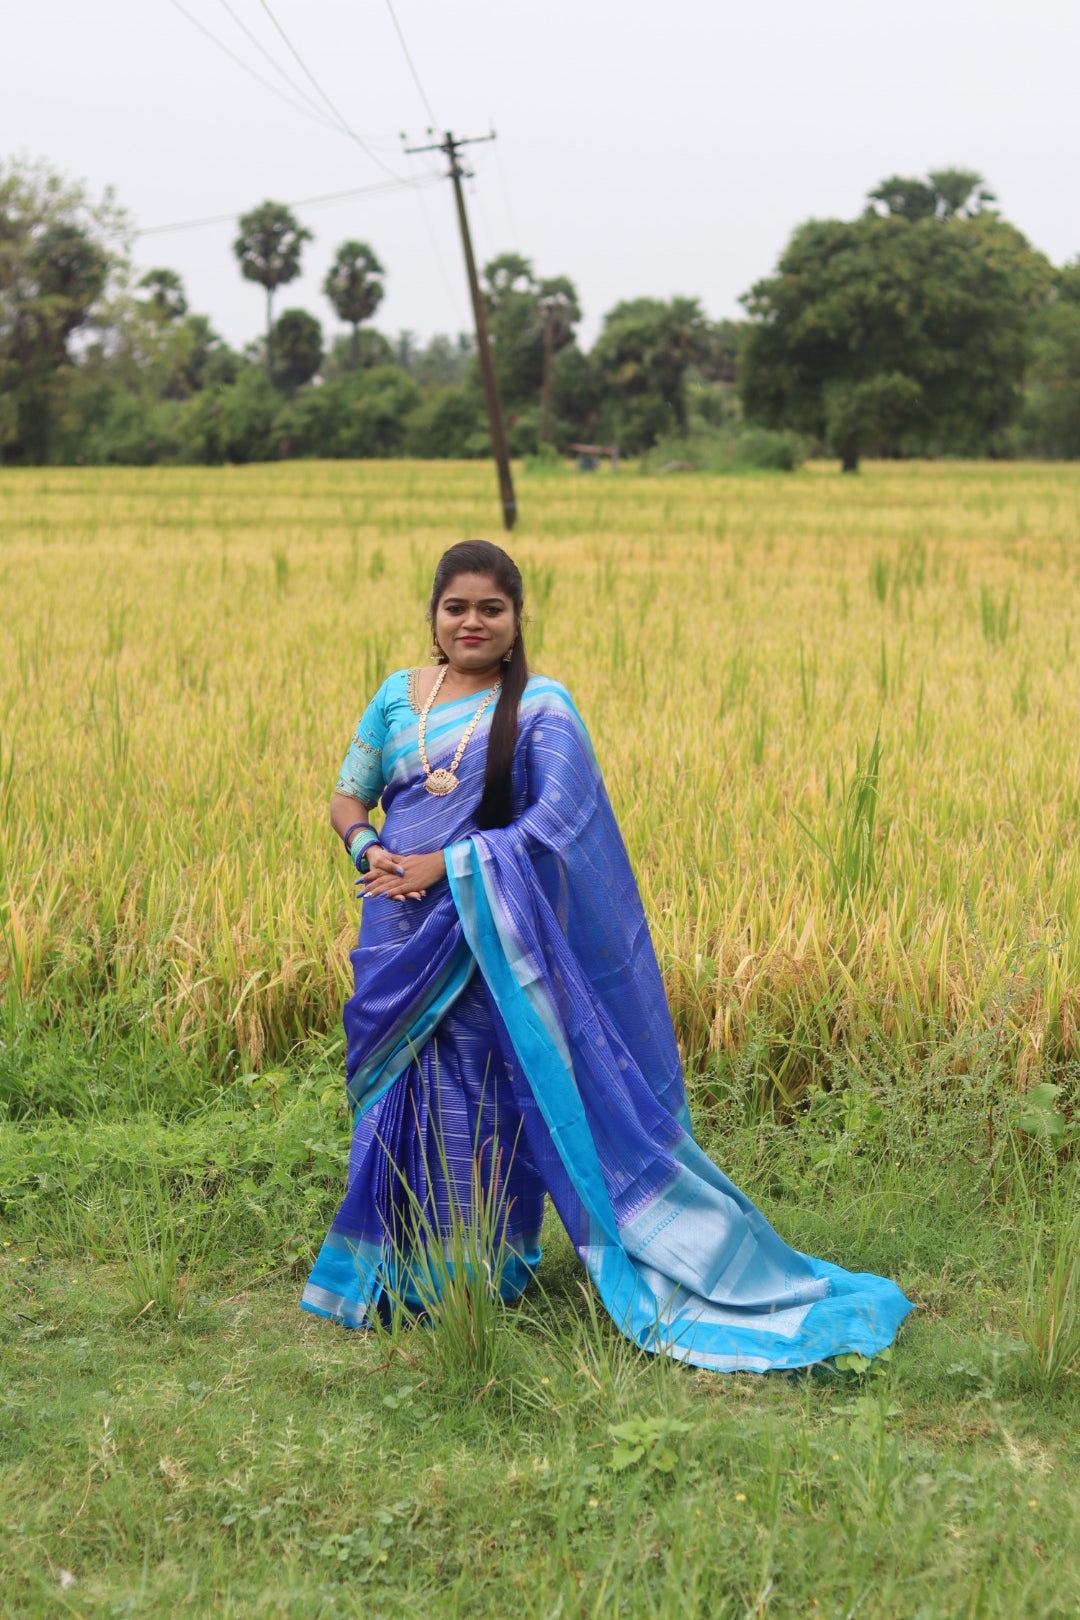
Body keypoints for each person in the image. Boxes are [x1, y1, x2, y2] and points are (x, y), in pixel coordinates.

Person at [302, 540, 912, 1371]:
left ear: (516, 622)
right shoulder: (395, 697)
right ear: (433, 618)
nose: (472, 621)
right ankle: (384, 1270)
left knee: (477, 1107)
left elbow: (557, 825)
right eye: (456, 607)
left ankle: (476, 1275)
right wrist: (367, 846)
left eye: (492, 607)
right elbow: (348, 792)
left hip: (483, 934)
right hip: (394, 936)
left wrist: (444, 865)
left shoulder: (544, 709)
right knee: (393, 1098)